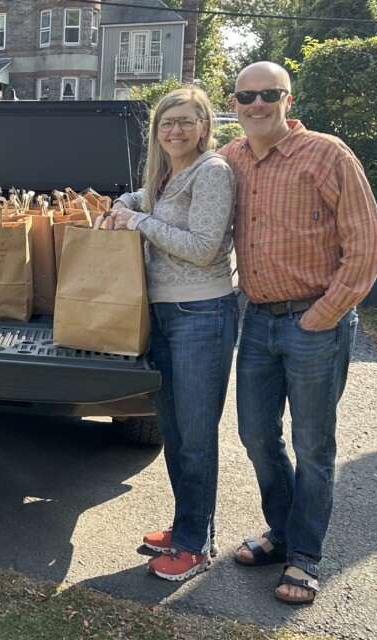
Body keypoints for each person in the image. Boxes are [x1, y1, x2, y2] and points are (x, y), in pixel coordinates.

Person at [221, 62, 377, 604]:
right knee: (255, 435)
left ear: (288, 99)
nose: (257, 104)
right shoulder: (232, 158)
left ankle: (305, 557)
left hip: (316, 320)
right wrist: (126, 206)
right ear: (237, 101)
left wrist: (326, 312)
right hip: (259, 319)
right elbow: (180, 194)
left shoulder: (328, 154)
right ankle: (282, 530)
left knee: (313, 444)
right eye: (247, 96)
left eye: (269, 94)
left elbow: (368, 243)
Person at [107, 87, 238, 581]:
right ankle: (189, 528)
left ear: (205, 126)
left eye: (186, 122)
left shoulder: (213, 172)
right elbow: (138, 199)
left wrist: (138, 221)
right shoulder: (166, 177)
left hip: (201, 312)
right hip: (165, 313)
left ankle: (194, 546)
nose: (176, 131)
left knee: (197, 437)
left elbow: (204, 248)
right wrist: (124, 204)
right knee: (176, 431)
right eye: (167, 123)